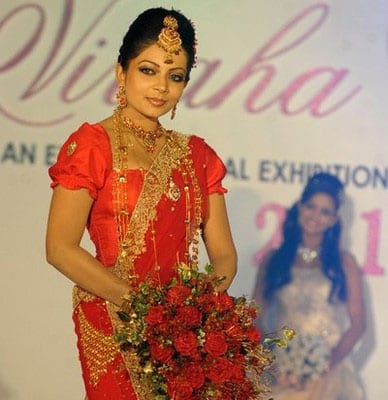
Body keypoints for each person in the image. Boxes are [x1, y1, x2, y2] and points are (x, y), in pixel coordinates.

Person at [45, 7, 237, 399]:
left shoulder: (197, 156)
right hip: (113, 318)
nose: (161, 87)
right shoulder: (92, 147)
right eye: (148, 70)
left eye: (175, 76)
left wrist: (195, 315)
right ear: (122, 73)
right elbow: (59, 248)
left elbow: (225, 256)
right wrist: (146, 309)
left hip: (180, 336)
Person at [252, 172, 366, 400]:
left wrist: (324, 365)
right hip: (282, 370)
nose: (316, 216)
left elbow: (358, 324)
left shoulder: (344, 262)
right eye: (311, 206)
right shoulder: (274, 259)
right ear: (300, 207)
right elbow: (254, 317)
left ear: (334, 219)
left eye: (325, 211)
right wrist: (273, 361)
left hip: (329, 369)